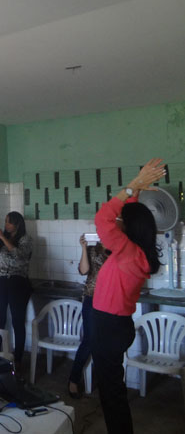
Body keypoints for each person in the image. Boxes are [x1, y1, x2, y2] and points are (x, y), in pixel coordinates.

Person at [91, 158, 165, 434]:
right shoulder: (135, 252)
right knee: (112, 389)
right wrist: (138, 189)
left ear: (130, 227)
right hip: (114, 325)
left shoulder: (128, 252)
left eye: (122, 220)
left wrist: (132, 186)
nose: (117, 222)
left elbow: (103, 218)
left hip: (108, 326)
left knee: (111, 393)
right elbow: (127, 214)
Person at [0, 211, 33, 371]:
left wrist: (3, 237)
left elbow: (19, 256)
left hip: (18, 282)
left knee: (18, 321)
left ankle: (18, 359)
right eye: (5, 221)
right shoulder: (1, 240)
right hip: (1, 281)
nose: (6, 225)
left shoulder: (25, 239)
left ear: (17, 224)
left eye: (9, 222)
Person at [68, 234, 109, 398]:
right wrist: (84, 248)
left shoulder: (118, 248)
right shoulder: (93, 249)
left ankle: (104, 380)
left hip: (111, 300)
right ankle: (73, 379)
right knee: (89, 340)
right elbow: (84, 270)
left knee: (107, 342)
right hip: (92, 298)